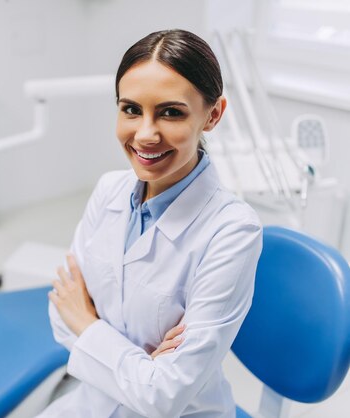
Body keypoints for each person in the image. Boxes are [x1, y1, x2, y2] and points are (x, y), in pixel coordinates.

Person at [39, 29, 263, 418]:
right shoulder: (109, 190)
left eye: (171, 112)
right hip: (92, 403)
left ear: (213, 115)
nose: (145, 134)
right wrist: (141, 367)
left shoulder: (233, 231)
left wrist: (88, 325)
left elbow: (164, 398)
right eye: (130, 109)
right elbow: (62, 314)